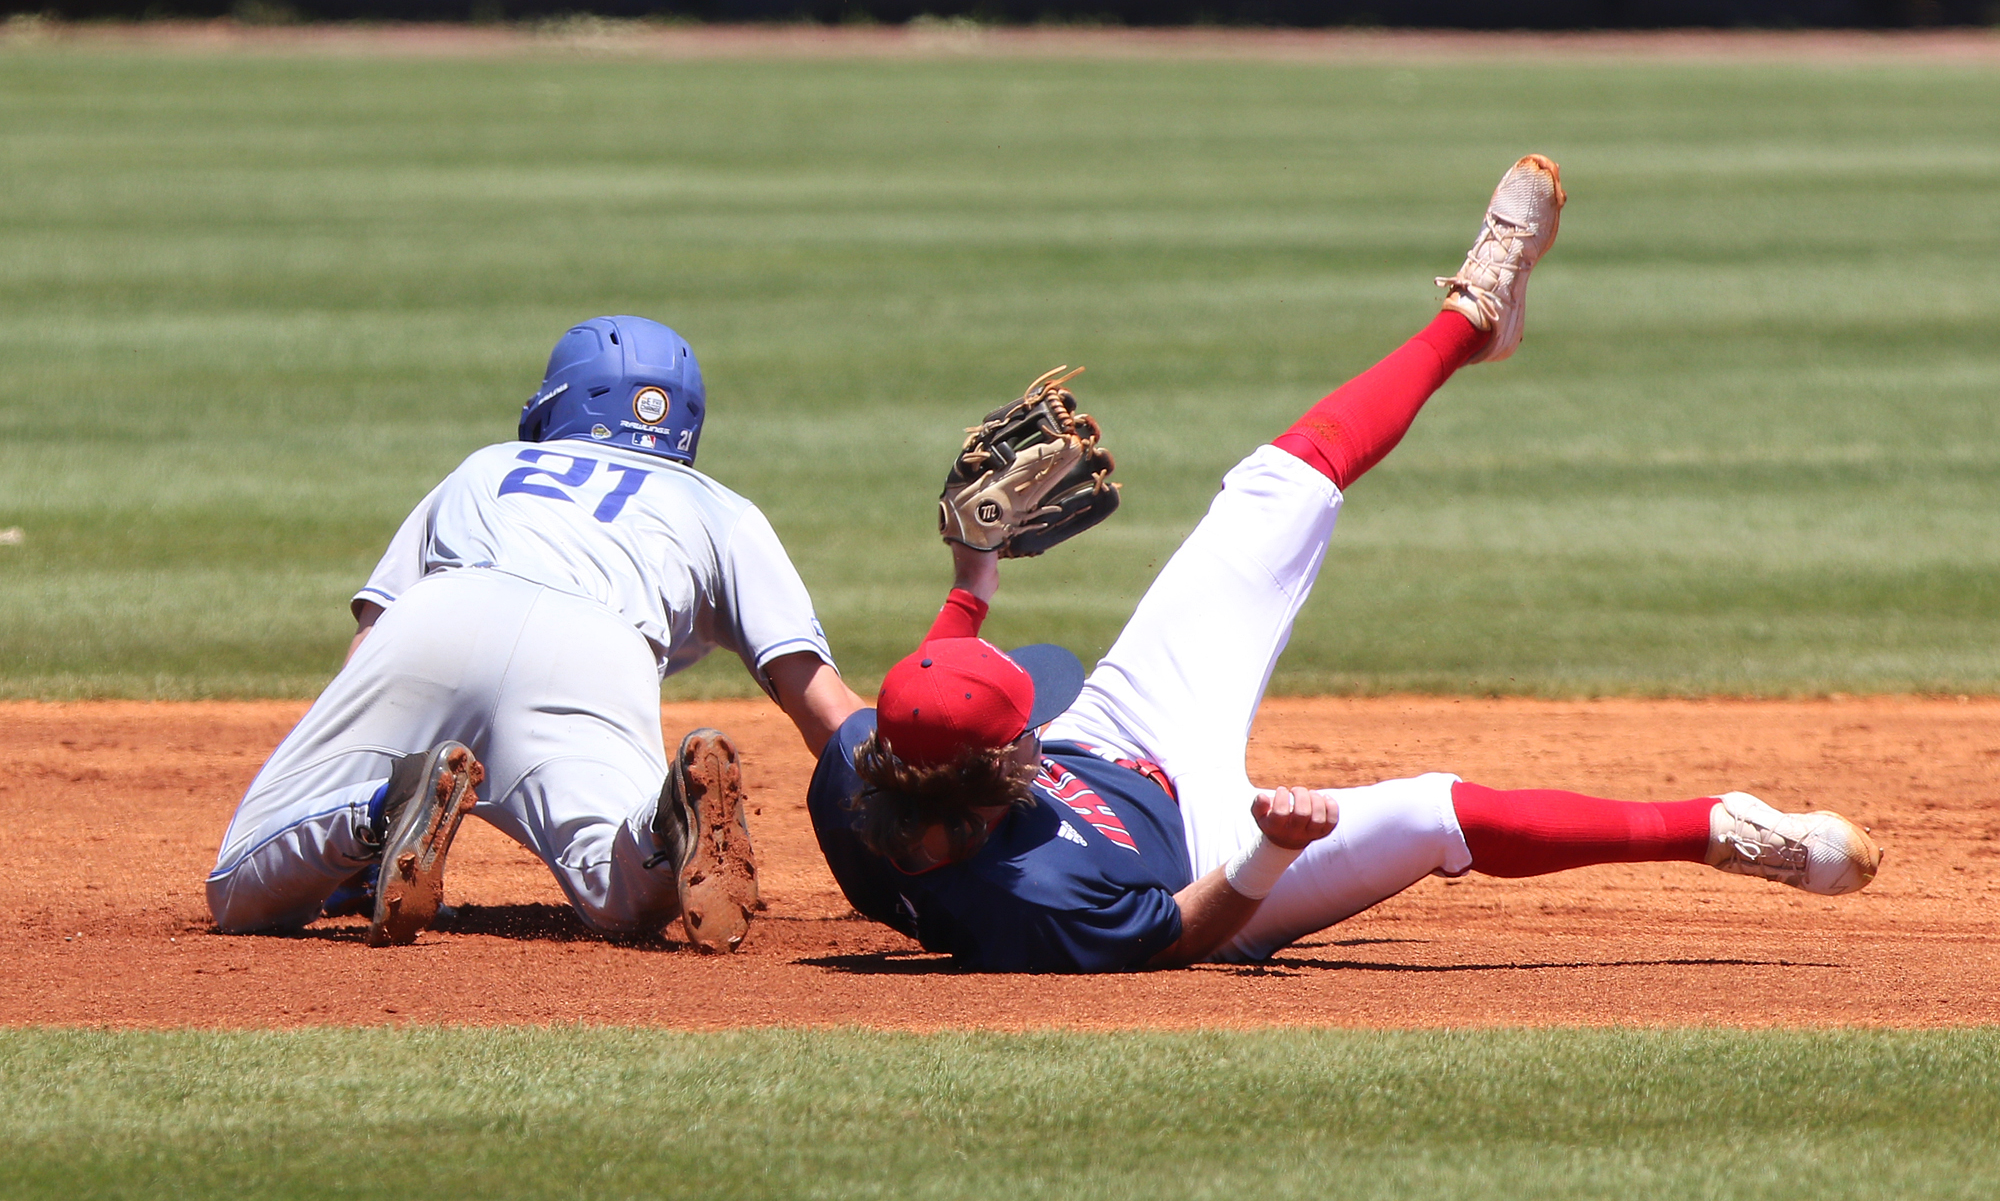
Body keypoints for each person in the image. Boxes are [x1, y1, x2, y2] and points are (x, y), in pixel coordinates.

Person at [807, 156, 1881, 972]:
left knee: (1267, 488)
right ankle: (1720, 831)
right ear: (986, 779)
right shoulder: (1032, 900)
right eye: (1018, 741)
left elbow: (923, 689)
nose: (1029, 735)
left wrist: (970, 573)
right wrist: (1270, 850)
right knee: (1429, 810)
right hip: (1209, 856)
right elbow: (1180, 937)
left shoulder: (870, 767)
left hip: (1123, 746)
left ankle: (1470, 317)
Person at [207, 315, 865, 950]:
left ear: (560, 400)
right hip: (595, 651)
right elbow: (828, 714)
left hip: (441, 618)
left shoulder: (486, 466)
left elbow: (369, 647)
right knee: (621, 896)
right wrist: (924, 805)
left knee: (238, 888)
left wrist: (359, 770)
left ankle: (379, 812)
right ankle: (663, 825)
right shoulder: (723, 511)